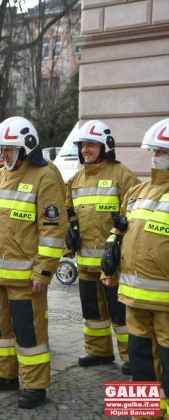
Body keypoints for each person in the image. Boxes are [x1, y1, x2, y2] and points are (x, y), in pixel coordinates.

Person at [0, 116, 67, 409]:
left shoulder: (46, 176)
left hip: (26, 277)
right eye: (0, 150)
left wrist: (43, 271)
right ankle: (3, 375)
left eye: (8, 150)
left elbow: (53, 230)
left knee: (29, 332)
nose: (3, 155)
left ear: (26, 147)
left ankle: (35, 384)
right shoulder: (0, 172)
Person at [101, 118, 169, 418]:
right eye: (154, 151)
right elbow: (120, 229)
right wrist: (109, 260)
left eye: (162, 151)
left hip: (166, 302)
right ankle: (141, 413)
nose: (156, 156)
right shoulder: (138, 191)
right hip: (133, 295)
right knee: (139, 361)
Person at [65, 120, 139, 375]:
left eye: (91, 145)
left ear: (104, 146)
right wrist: (69, 234)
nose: (86, 149)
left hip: (113, 264)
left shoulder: (122, 175)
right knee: (92, 311)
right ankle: (99, 352)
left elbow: (135, 216)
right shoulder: (75, 179)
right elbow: (69, 213)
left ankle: (132, 357)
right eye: (83, 145)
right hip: (86, 263)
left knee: (120, 313)